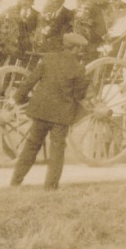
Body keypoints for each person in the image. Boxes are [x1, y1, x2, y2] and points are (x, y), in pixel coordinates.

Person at [9, 33, 90, 191]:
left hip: (41, 111)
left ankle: (15, 181)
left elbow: (30, 80)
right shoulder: (78, 68)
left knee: (31, 145)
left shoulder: (48, 58)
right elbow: (79, 95)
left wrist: (16, 98)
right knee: (57, 150)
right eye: (80, 48)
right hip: (61, 116)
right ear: (76, 49)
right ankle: (50, 187)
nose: (81, 51)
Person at [0, 0, 39, 66]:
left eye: (28, 0)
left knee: (17, 70)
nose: (25, 2)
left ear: (32, 1)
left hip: (23, 53)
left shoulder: (36, 15)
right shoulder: (10, 10)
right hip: (5, 49)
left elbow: (38, 35)